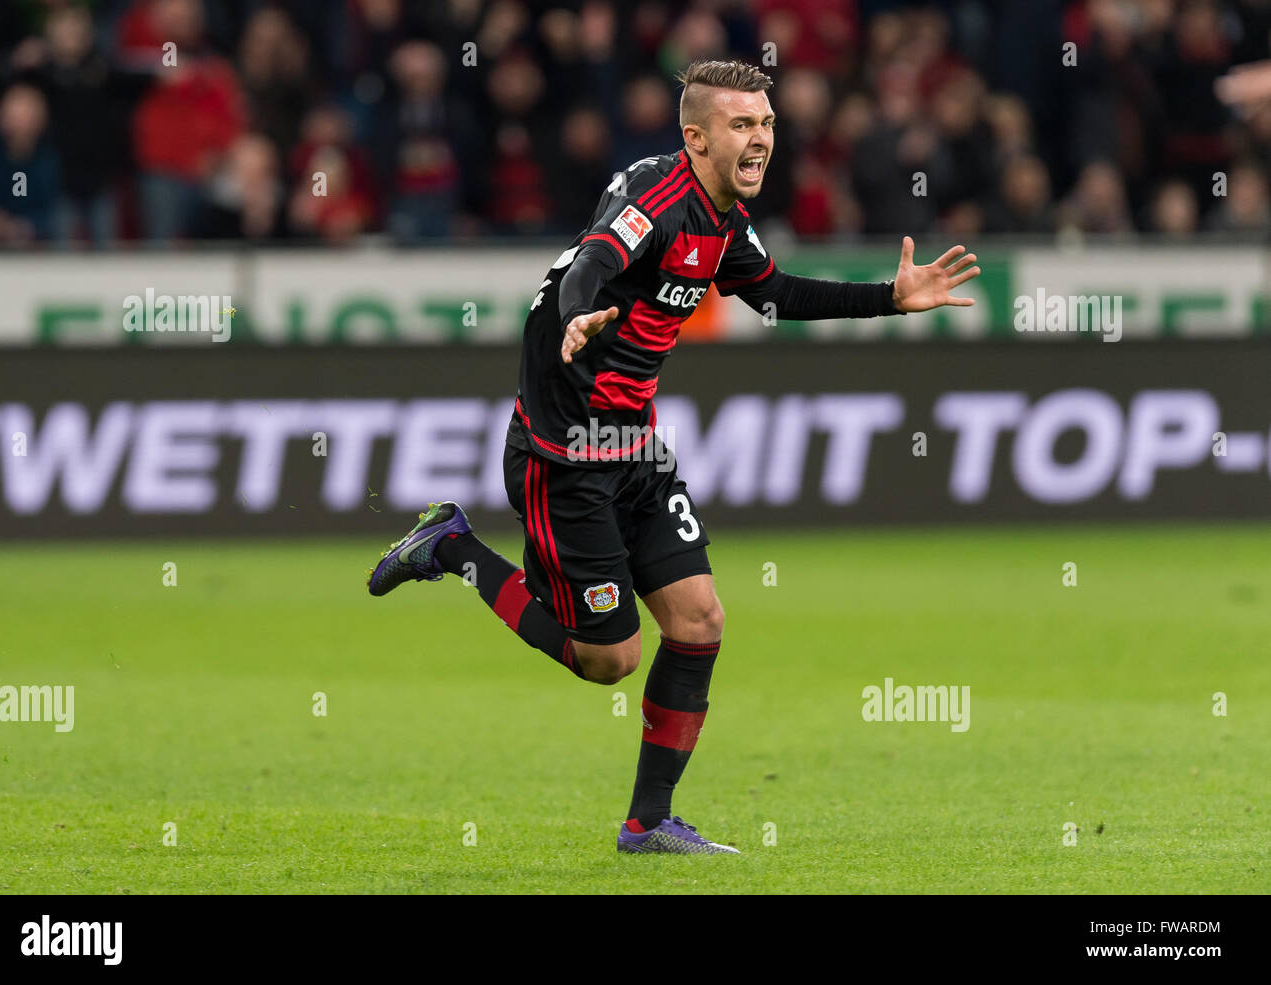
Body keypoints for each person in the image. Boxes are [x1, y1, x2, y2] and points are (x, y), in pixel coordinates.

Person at [367, 59, 980, 854]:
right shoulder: (657, 200)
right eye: (740, 126)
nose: (759, 139)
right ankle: (452, 547)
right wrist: (581, 314)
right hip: (566, 458)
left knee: (699, 622)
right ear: (696, 136)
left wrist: (888, 298)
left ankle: (648, 823)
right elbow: (592, 259)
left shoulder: (724, 220)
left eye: (765, 123)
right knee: (608, 659)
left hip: (635, 449)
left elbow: (774, 293)